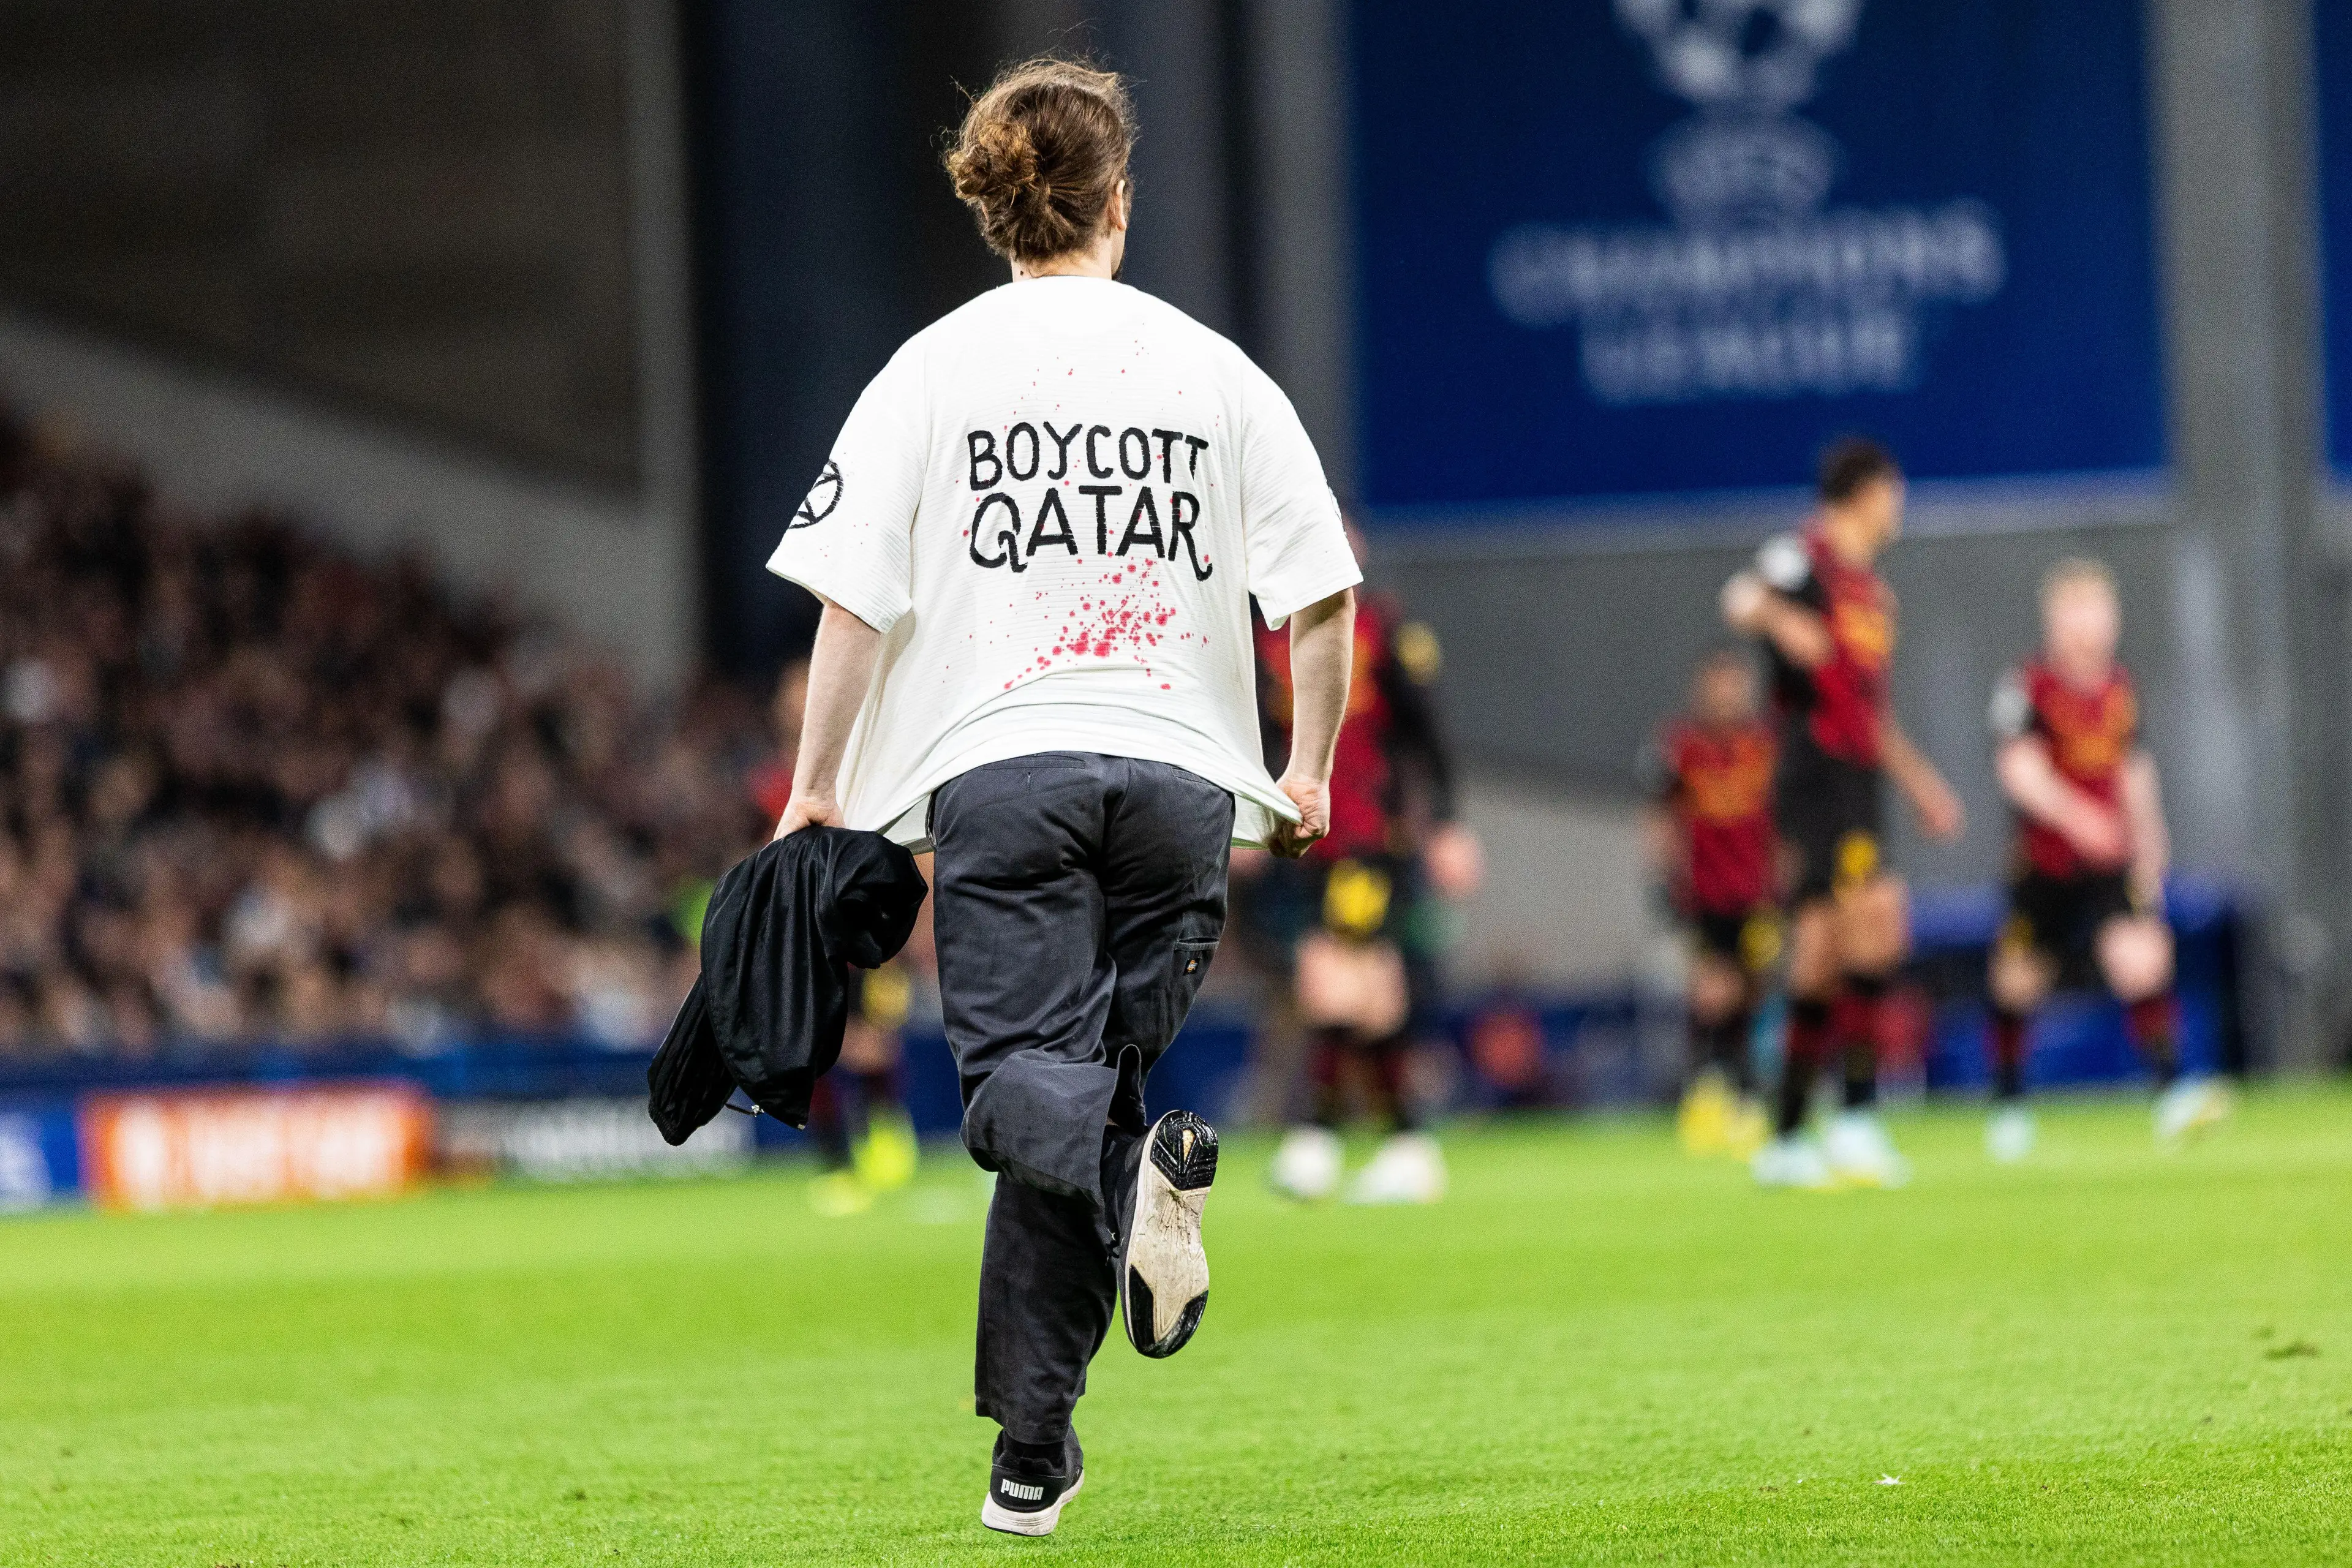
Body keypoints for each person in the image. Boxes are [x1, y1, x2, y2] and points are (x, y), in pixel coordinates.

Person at [764, 58, 1359, 1537]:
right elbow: (1324, 595)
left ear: (998, 210)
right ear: (1117, 199)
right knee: (1082, 1084)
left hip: (1004, 777)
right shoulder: (1211, 367)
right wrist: (1308, 771)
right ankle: (1032, 1450)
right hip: (1179, 786)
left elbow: (848, 598)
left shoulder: (931, 367)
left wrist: (814, 788)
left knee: (1023, 1094)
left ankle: (1132, 1164)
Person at [1722, 438, 1964, 1189]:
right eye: (1893, 489)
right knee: (1879, 918)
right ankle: (1857, 1116)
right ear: (1862, 493)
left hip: (1858, 775)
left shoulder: (1870, 592)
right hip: (1815, 773)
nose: (1900, 504)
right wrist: (1778, 620)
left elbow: (1871, 709)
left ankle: (1788, 1133)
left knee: (1822, 951)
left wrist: (1922, 782)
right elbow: (1738, 595)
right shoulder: (1808, 555)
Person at [1255, 547, 1482, 1205]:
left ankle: (1317, 1138)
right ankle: (1406, 1142)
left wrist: (1444, 823)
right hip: (1302, 837)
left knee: (1330, 974)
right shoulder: (1269, 637)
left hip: (1368, 835)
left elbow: (1428, 733)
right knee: (1372, 992)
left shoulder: (1382, 629)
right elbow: (1268, 735)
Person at [1982, 559, 2230, 1159]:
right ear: (2054, 618)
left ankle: (2172, 1095)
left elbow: (2132, 768)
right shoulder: (2027, 685)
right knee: (2019, 980)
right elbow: (2018, 769)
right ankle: (2009, 1105)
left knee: (2141, 956)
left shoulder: (2121, 688)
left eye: (2099, 611)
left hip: (2110, 860)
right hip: (2046, 862)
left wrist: (2150, 835)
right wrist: (2077, 816)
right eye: (2077, 611)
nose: (2089, 624)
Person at [752, 660, 924, 1216]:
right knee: (815, 1050)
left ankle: (884, 1127)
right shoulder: (773, 783)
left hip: (862, 929)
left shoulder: (864, 773)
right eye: (793, 699)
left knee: (872, 1041)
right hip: (803, 933)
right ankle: (836, 1163)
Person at [1641, 649, 1779, 1159]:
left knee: (1752, 991)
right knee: (1709, 991)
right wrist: (1662, 877)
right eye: (1718, 687)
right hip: (1702, 890)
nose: (1727, 697)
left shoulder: (1766, 744)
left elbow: (1782, 817)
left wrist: (1786, 875)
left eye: (1735, 687)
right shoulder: (1680, 747)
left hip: (1757, 892)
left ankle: (1745, 1095)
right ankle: (1703, 1092)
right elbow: (1658, 814)